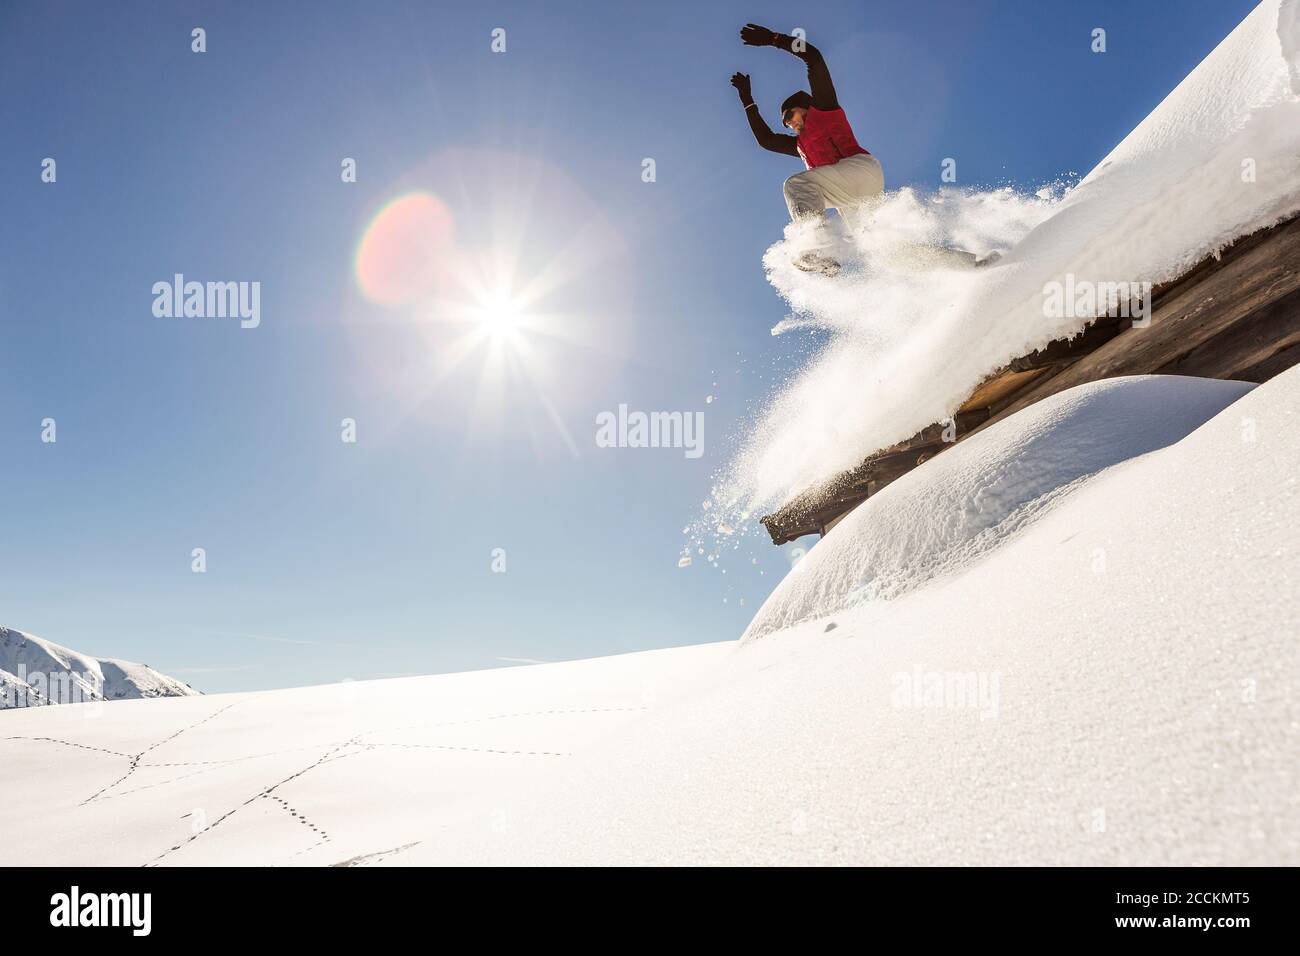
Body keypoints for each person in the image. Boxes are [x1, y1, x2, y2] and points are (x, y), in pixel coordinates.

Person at [731, 23, 884, 275]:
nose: (789, 123)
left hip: (860, 170)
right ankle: (964, 264)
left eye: (790, 115)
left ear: (804, 106)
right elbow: (766, 140)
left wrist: (773, 38)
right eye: (786, 123)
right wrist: (747, 100)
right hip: (852, 195)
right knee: (880, 249)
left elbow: (813, 57)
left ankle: (819, 247)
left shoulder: (824, 108)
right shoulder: (800, 145)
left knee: (796, 185)